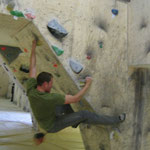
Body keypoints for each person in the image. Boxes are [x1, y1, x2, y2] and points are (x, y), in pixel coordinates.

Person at [26, 40, 126, 145]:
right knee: (84, 114)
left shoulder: (31, 88)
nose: (51, 86)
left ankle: (74, 121)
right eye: (51, 83)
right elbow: (75, 99)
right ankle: (116, 120)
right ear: (45, 84)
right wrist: (87, 84)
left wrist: (33, 47)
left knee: (65, 104)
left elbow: (32, 67)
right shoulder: (50, 98)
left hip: (46, 116)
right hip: (53, 125)